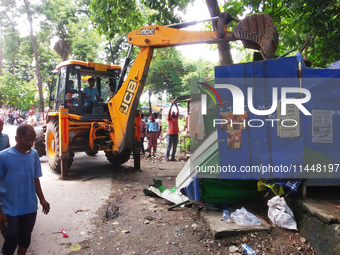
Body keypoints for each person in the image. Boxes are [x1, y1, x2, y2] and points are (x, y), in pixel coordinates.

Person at [0, 124, 50, 255]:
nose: (31, 143)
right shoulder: (4, 157)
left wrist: (42, 200)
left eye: (32, 140)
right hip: (8, 208)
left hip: (29, 207)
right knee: (11, 240)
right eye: (27, 140)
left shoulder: (33, 155)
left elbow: (35, 179)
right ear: (17, 138)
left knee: (24, 240)